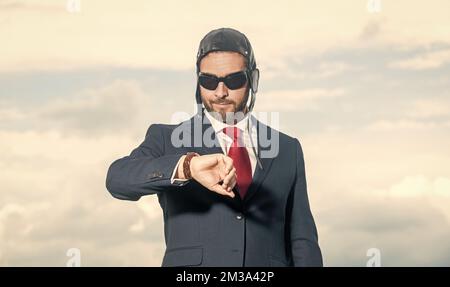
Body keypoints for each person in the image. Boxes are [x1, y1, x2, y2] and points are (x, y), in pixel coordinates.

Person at [106, 27, 322, 267]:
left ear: (254, 79)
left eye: (234, 80)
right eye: (208, 81)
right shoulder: (167, 138)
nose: (221, 92)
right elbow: (117, 180)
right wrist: (187, 166)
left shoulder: (288, 149)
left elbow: (302, 240)